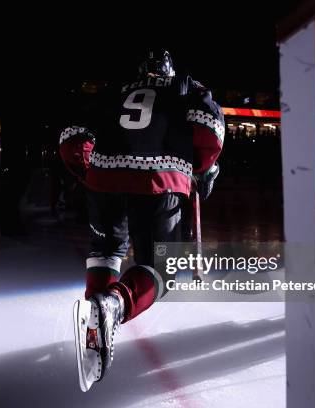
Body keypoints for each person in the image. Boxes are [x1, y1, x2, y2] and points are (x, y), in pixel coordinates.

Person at [59, 49, 224, 391]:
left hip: (104, 178)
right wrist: (203, 169)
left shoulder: (114, 89)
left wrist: (89, 172)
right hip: (158, 178)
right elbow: (211, 131)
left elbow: (72, 136)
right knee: (160, 268)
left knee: (106, 248)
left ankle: (95, 326)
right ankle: (112, 306)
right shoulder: (186, 86)